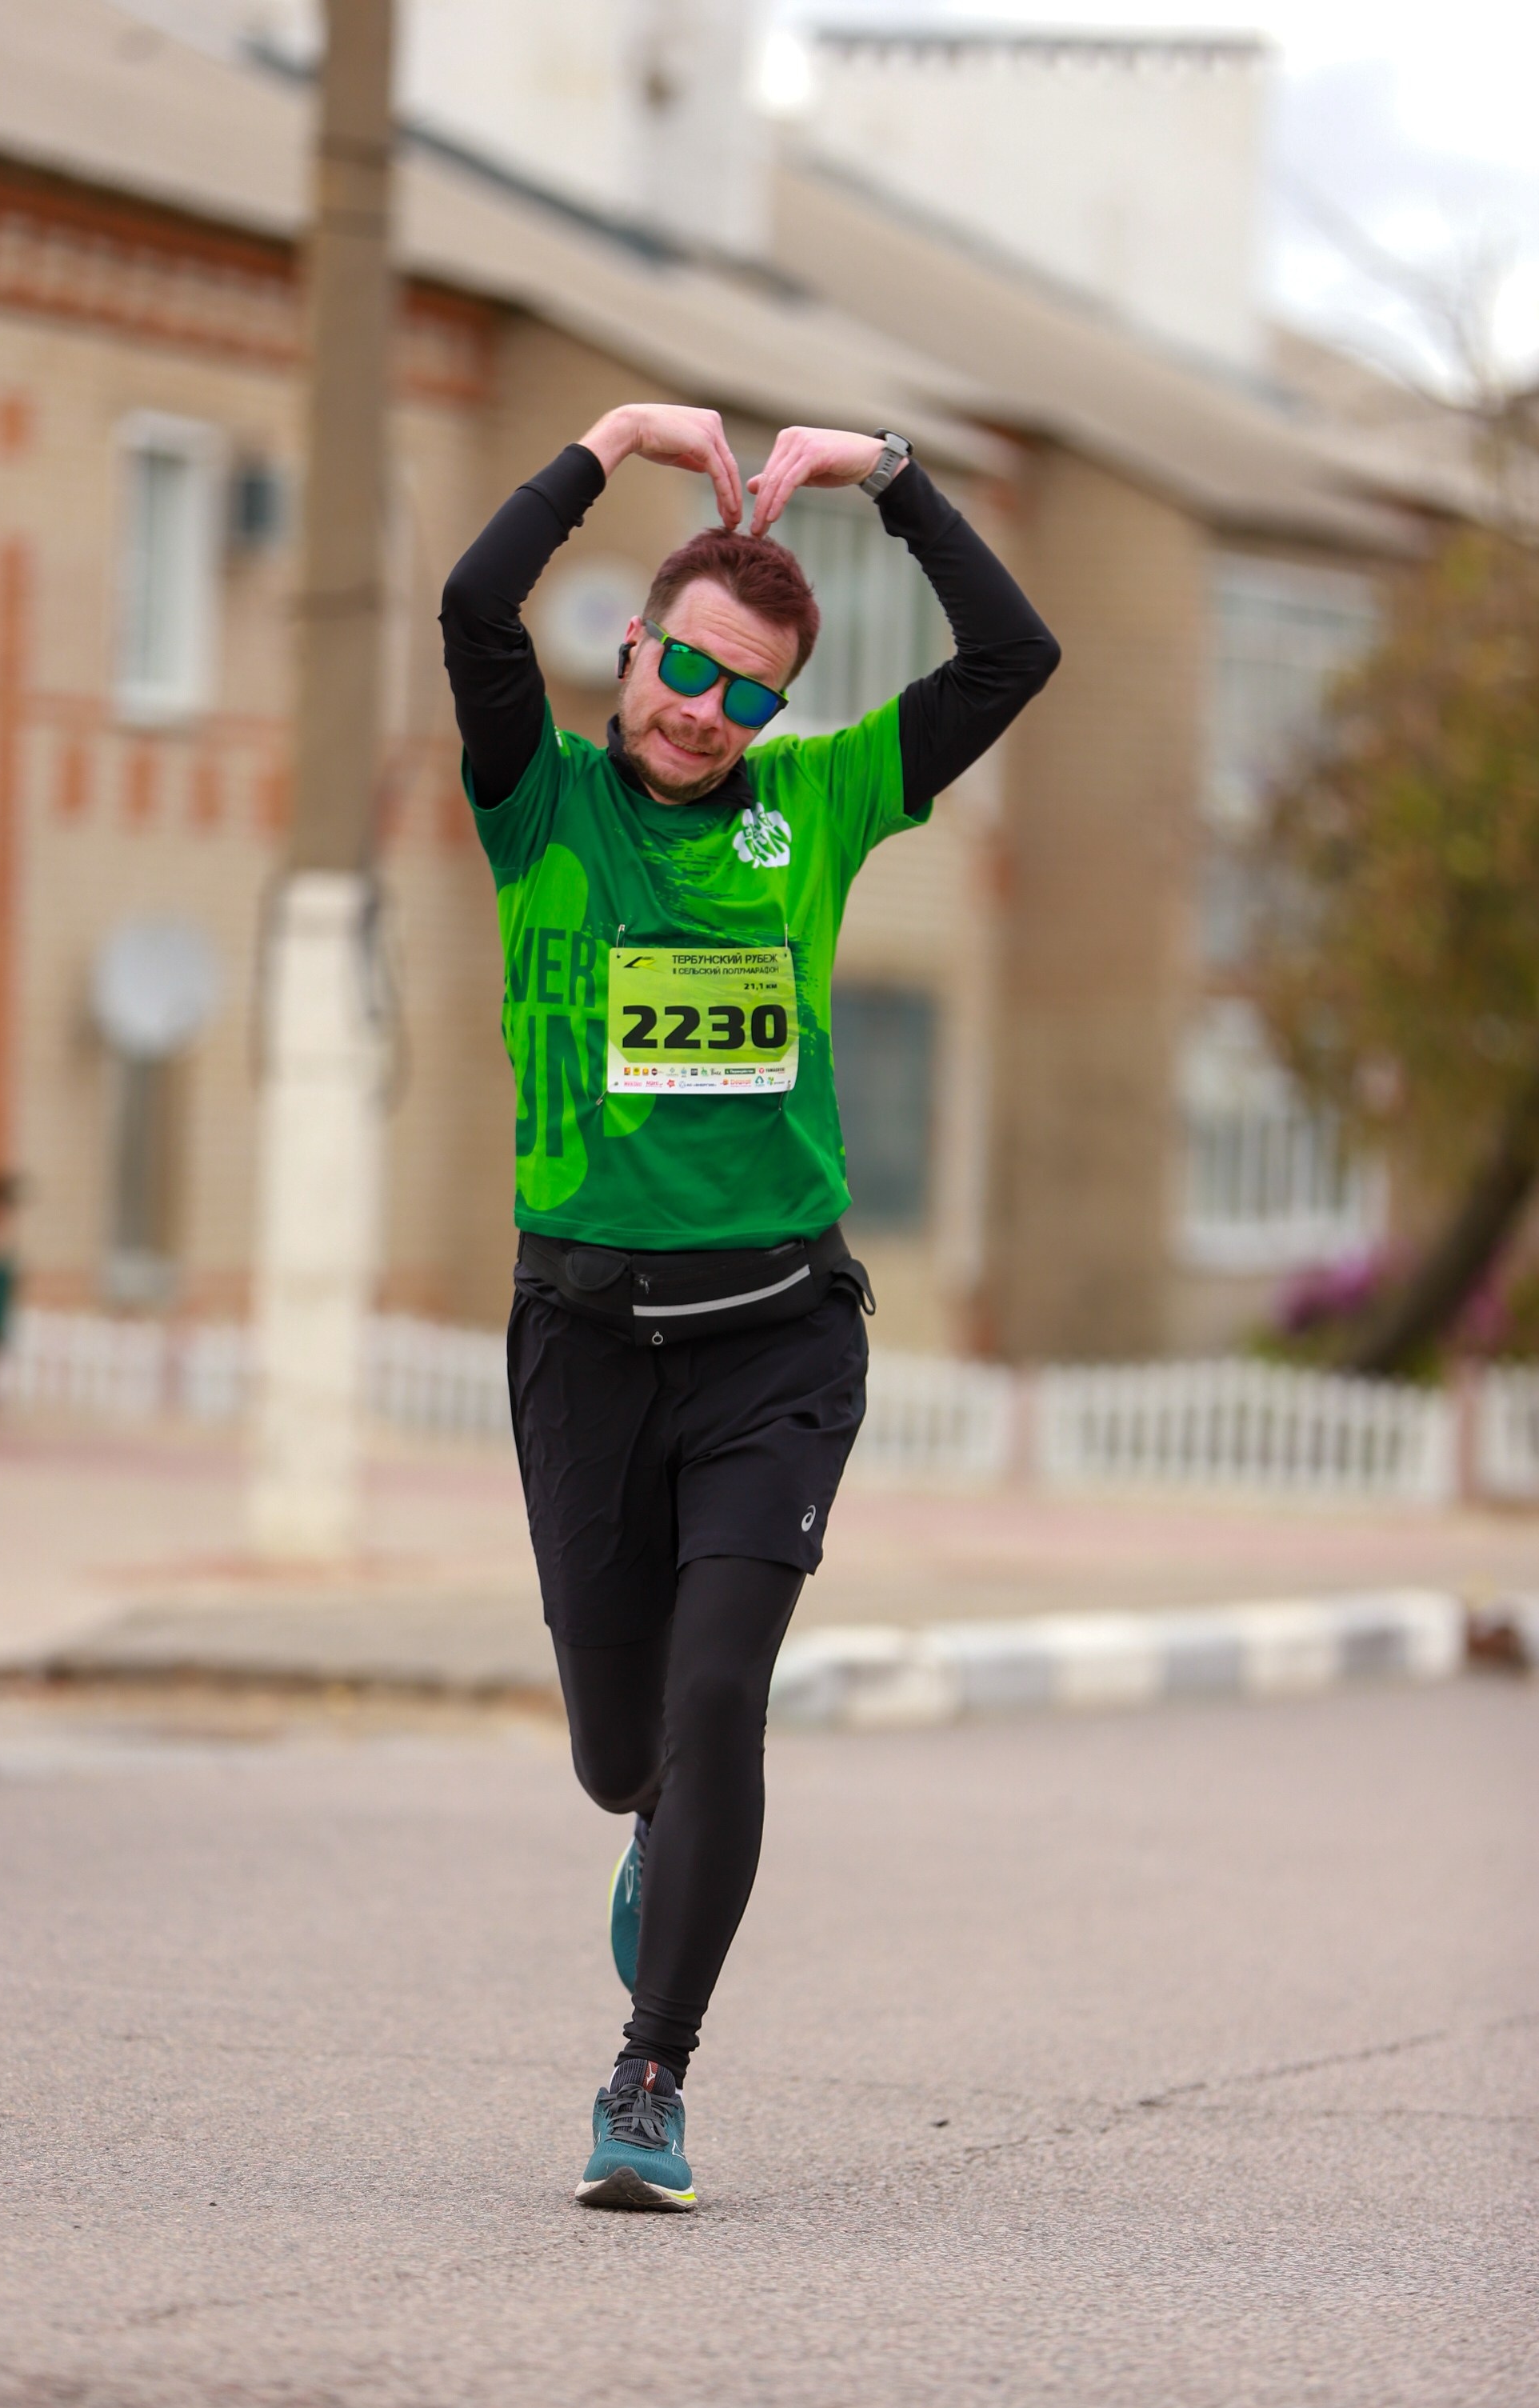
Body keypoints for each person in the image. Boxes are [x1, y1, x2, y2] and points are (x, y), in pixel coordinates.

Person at [440, 405, 1058, 2210]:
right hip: (576, 1339)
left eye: (751, 694)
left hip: (779, 1336)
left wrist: (888, 474)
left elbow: (1012, 654)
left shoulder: (822, 802)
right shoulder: (536, 801)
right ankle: (646, 1824)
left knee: (720, 1697)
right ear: (633, 651)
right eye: (688, 671)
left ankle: (651, 2075)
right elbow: (477, 612)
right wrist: (603, 443)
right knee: (617, 1750)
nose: (709, 714)